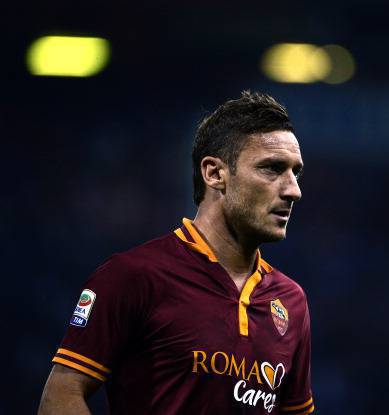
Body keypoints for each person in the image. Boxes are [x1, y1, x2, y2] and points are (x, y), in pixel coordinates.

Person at [38, 91, 315, 415]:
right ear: (214, 173)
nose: (294, 190)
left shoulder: (291, 302)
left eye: (295, 173)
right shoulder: (135, 276)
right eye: (272, 168)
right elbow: (60, 396)